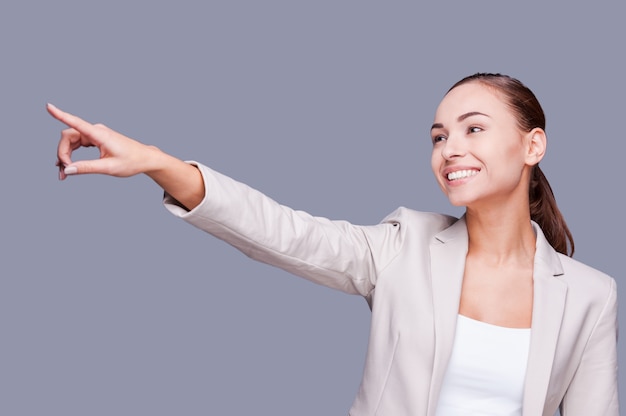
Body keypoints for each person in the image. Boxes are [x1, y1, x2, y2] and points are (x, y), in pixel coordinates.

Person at [48, 73, 618, 415]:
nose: (449, 149)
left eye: (474, 129)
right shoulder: (403, 247)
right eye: (439, 136)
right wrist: (157, 163)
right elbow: (277, 232)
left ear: (532, 145)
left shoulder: (591, 297)